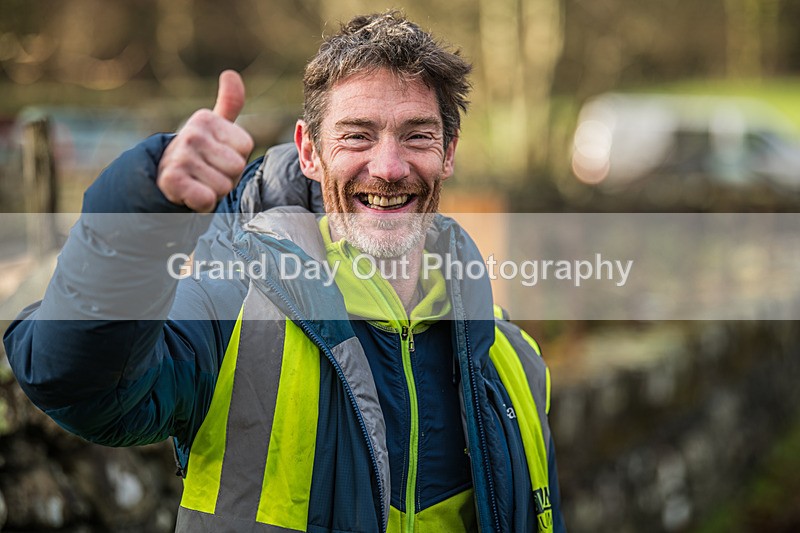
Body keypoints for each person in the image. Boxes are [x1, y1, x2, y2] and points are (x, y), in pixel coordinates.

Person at [4, 11, 565, 533]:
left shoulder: (511, 359)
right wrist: (144, 211)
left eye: (417, 135)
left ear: (448, 152)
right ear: (309, 153)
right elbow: (77, 385)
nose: (390, 167)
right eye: (357, 135)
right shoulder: (230, 311)